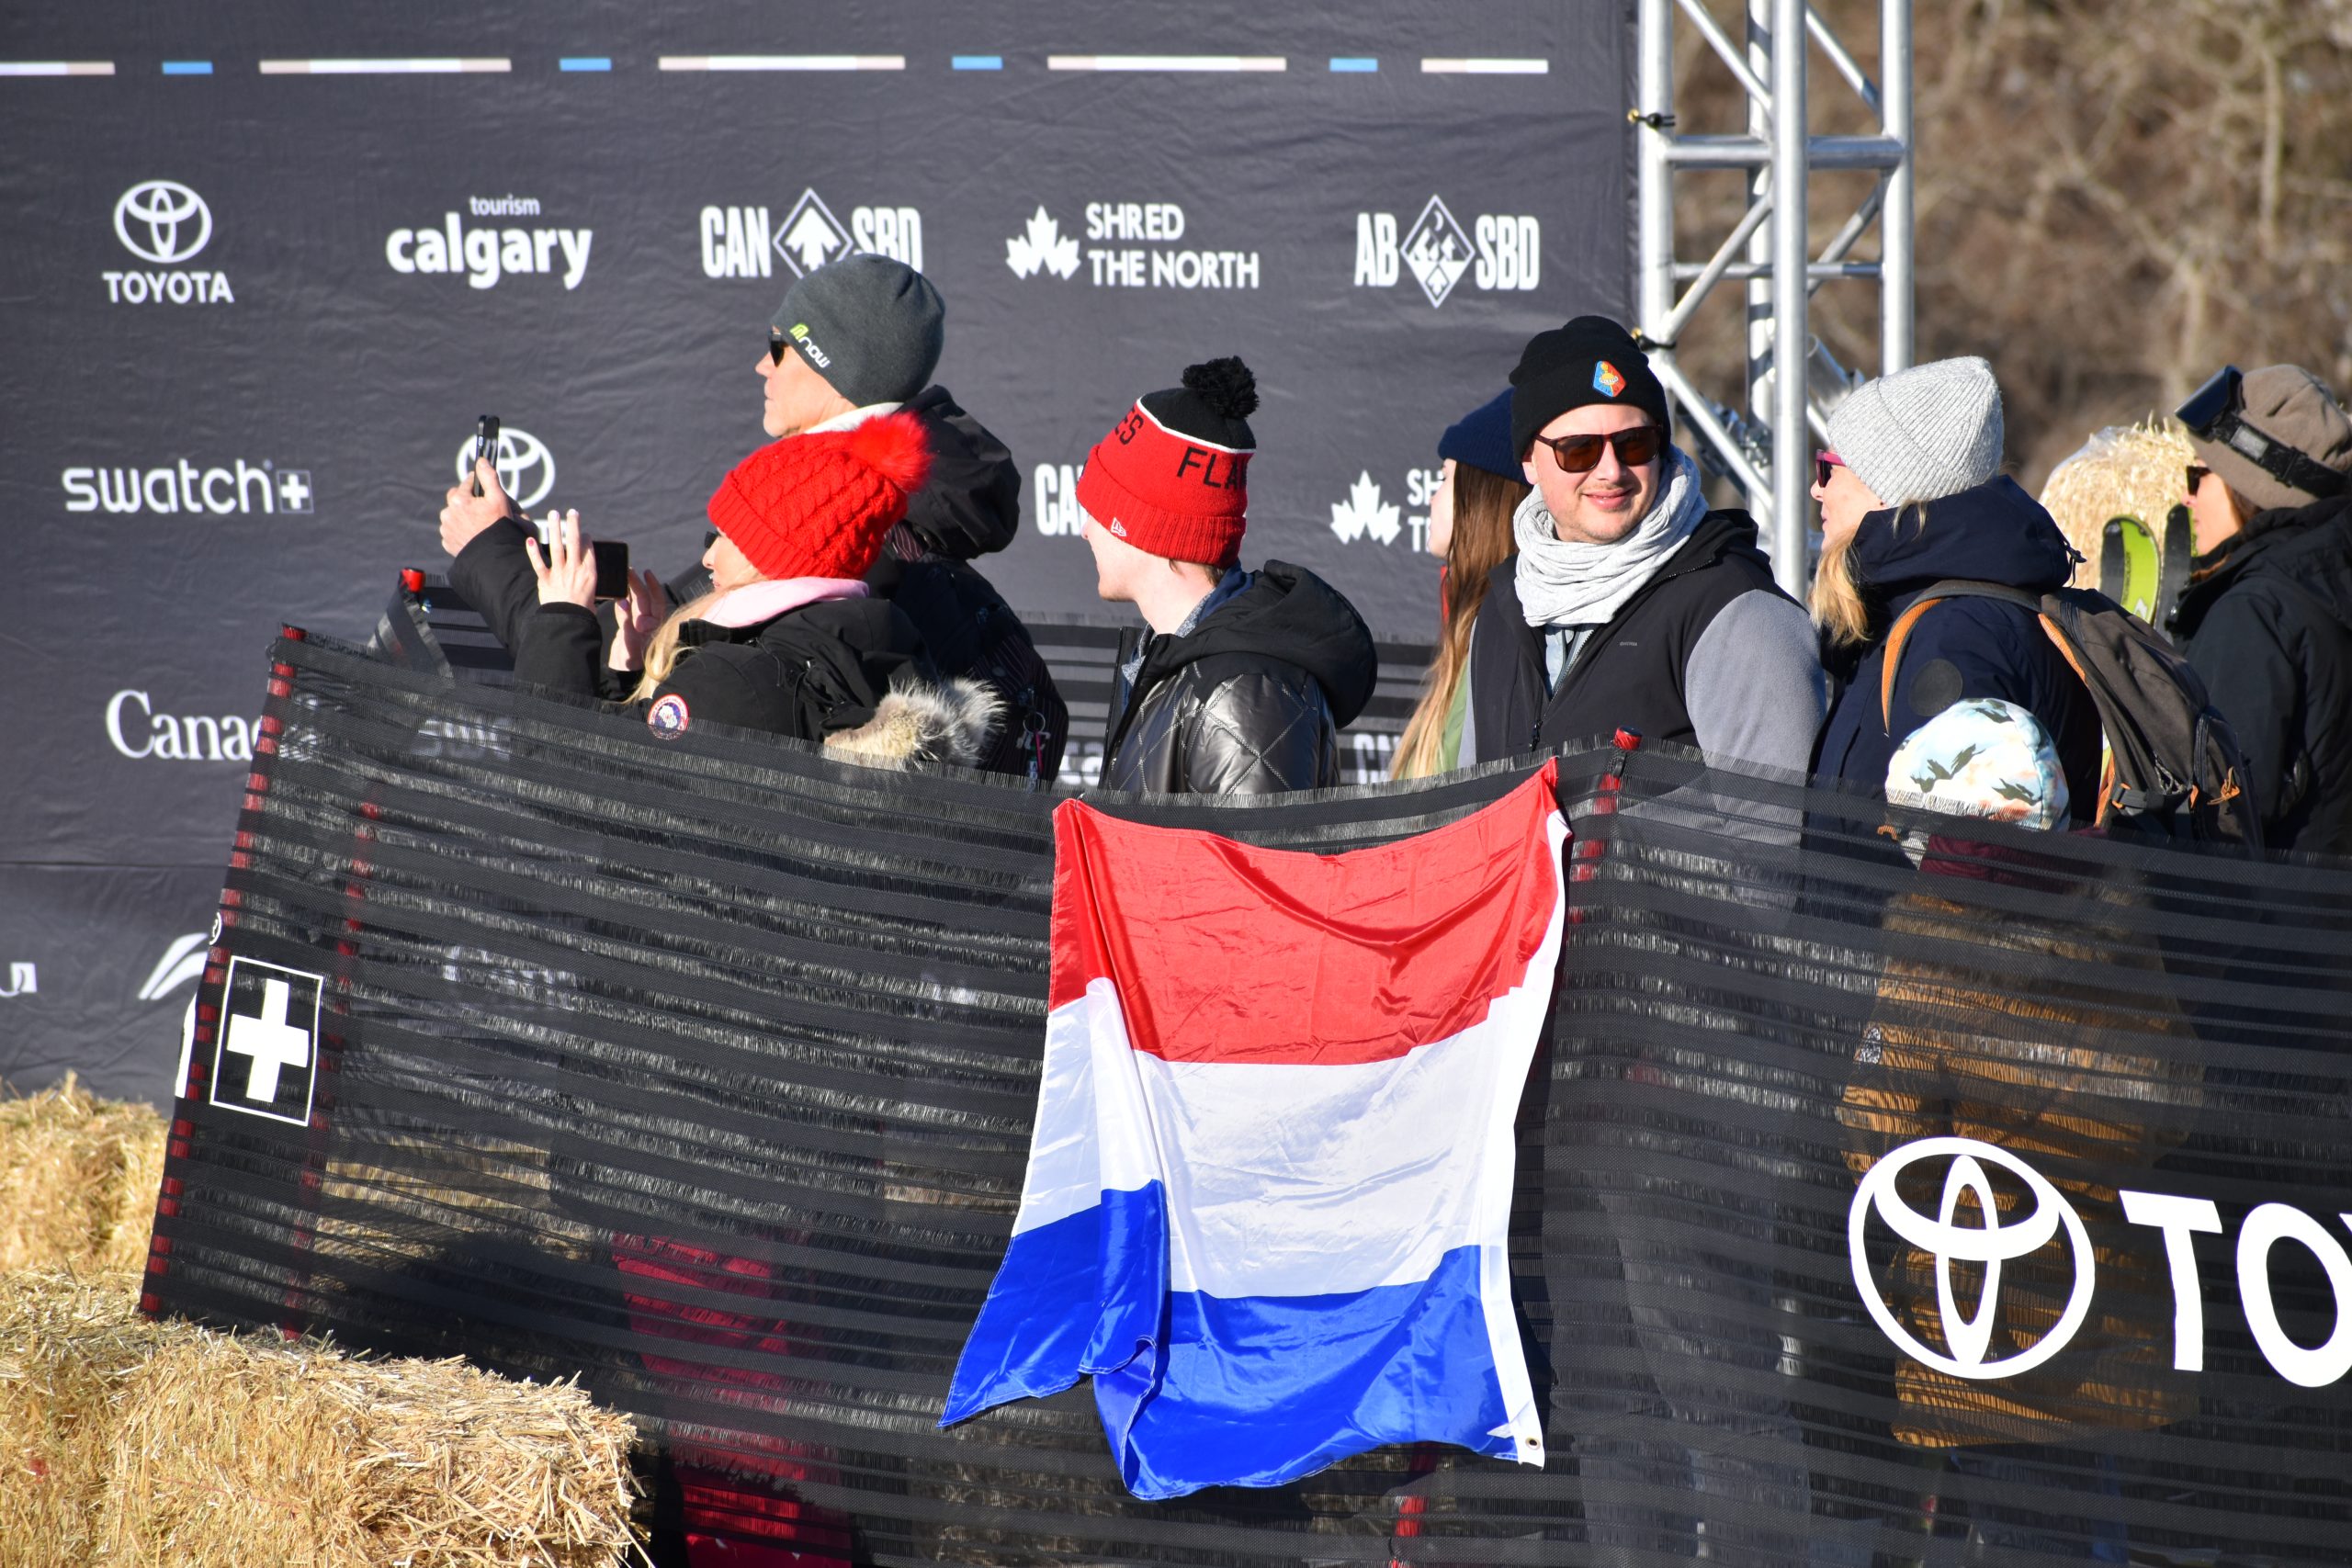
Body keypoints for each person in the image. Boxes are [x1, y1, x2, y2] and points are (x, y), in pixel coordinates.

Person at [444, 254, 1068, 781]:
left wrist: (495, 553)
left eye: (781, 346)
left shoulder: (832, 520)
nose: (762, 366)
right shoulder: (891, 512)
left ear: (832, 367)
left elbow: (586, 770)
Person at [449, 410, 998, 766]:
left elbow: (564, 786)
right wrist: (629, 673)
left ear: (772, 554)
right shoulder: (878, 647)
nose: (707, 556)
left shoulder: (738, 681)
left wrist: (564, 620)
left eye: (725, 535)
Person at [1463, 316, 1826, 772]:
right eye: (1579, 450)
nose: (1611, 471)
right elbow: (1473, 819)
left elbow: (1767, 836)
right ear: (1529, 462)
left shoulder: (1737, 610)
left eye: (1634, 444)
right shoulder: (1502, 612)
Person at [1810, 355, 2103, 817]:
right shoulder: (1919, 615)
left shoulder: (1957, 638)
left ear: (1885, 486)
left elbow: (1963, 867)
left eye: (1828, 467)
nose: (1816, 488)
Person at [1074, 356, 1378, 795]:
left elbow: (1249, 865)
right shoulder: (1178, 665)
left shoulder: (1243, 695)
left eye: (1099, 510)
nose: (1085, 531)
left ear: (1144, 529)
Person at [2166, 364, 2352, 854]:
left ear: (2250, 488)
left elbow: (2219, 824)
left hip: (2269, 924)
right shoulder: (2327, 581)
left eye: (2199, 475)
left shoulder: (2255, 615)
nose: (2186, 497)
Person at [1391, 389, 1529, 780]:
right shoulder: (1475, 631)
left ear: (1481, 498)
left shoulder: (1501, 644)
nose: (1431, 499)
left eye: (1444, 478)